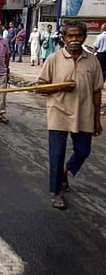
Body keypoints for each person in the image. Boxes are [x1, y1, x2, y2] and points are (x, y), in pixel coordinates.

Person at [37, 20, 103, 210]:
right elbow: (40, 87)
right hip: (58, 113)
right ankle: (56, 191)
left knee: (83, 151)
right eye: (70, 36)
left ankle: (66, 172)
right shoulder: (54, 59)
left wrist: (97, 119)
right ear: (64, 38)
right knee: (56, 155)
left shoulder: (92, 60)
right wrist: (60, 86)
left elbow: (97, 90)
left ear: (84, 37)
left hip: (84, 114)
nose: (74, 39)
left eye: (78, 35)